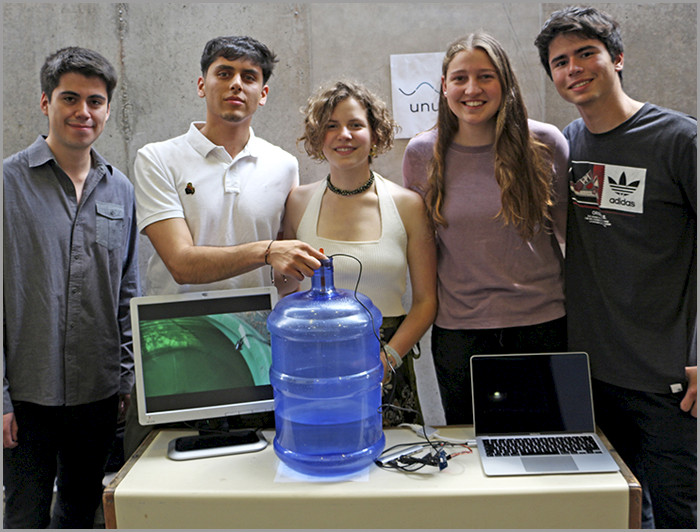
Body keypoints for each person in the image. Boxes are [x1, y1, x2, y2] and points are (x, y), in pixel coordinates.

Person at [535, 6, 697, 529]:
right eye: (560, 62)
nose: (574, 68)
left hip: (668, 377)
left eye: (587, 54)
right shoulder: (568, 144)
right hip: (593, 374)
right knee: (620, 513)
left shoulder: (679, 140)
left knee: (679, 513)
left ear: (618, 58)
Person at [125, 36, 325, 455]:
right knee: (163, 492)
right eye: (224, 73)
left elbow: (286, 271)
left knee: (256, 484)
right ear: (203, 85)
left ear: (263, 94)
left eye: (248, 77)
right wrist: (266, 250)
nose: (236, 84)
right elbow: (182, 264)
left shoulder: (283, 164)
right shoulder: (157, 158)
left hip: (257, 352)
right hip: (180, 343)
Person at [3, 47, 139, 529]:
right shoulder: (7, 183)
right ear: (46, 103)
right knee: (24, 513)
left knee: (83, 511)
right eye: (70, 98)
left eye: (96, 101)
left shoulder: (119, 188)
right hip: (26, 393)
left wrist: (124, 378)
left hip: (97, 392)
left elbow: (127, 288)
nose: (84, 112)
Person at [402, 33, 569, 425]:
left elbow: (573, 241)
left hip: (542, 327)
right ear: (444, 86)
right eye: (460, 78)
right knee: (472, 458)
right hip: (461, 336)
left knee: (550, 451)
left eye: (486, 76)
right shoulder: (422, 153)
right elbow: (421, 248)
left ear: (505, 83)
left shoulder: (545, 142)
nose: (472, 89)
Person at [282, 80, 437, 426]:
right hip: (316, 360)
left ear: (375, 132)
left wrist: (389, 358)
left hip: (386, 359)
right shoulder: (297, 202)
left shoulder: (408, 205)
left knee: (395, 466)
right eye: (331, 126)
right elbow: (287, 288)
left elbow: (426, 301)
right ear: (316, 136)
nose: (344, 136)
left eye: (355, 125)